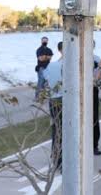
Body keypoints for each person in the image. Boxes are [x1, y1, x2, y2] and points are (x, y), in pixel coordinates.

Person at [41, 41, 63, 170]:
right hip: (64, 99)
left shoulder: (52, 65)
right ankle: (61, 159)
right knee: (65, 129)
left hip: (53, 99)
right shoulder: (67, 65)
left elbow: (45, 78)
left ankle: (56, 157)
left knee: (56, 128)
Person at [35, 36, 53, 101]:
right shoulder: (39, 50)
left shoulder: (49, 50)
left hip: (47, 68)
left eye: (46, 40)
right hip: (41, 68)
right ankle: (37, 97)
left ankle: (43, 96)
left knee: (46, 82)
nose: (45, 41)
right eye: (43, 40)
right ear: (41, 41)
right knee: (40, 82)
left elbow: (50, 58)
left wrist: (44, 57)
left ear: (47, 41)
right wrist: (46, 57)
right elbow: (40, 59)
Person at [93, 42, 101, 156]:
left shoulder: (96, 59)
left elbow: (99, 76)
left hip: (92, 89)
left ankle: (94, 145)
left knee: (94, 117)